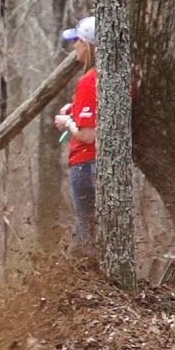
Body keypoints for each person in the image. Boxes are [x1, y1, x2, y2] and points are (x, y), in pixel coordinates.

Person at [54, 15, 98, 257]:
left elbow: (88, 135)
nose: (74, 47)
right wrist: (75, 109)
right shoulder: (111, 78)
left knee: (87, 228)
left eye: (77, 41)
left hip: (86, 163)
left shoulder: (89, 81)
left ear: (87, 45)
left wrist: (67, 122)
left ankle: (86, 271)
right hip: (96, 164)